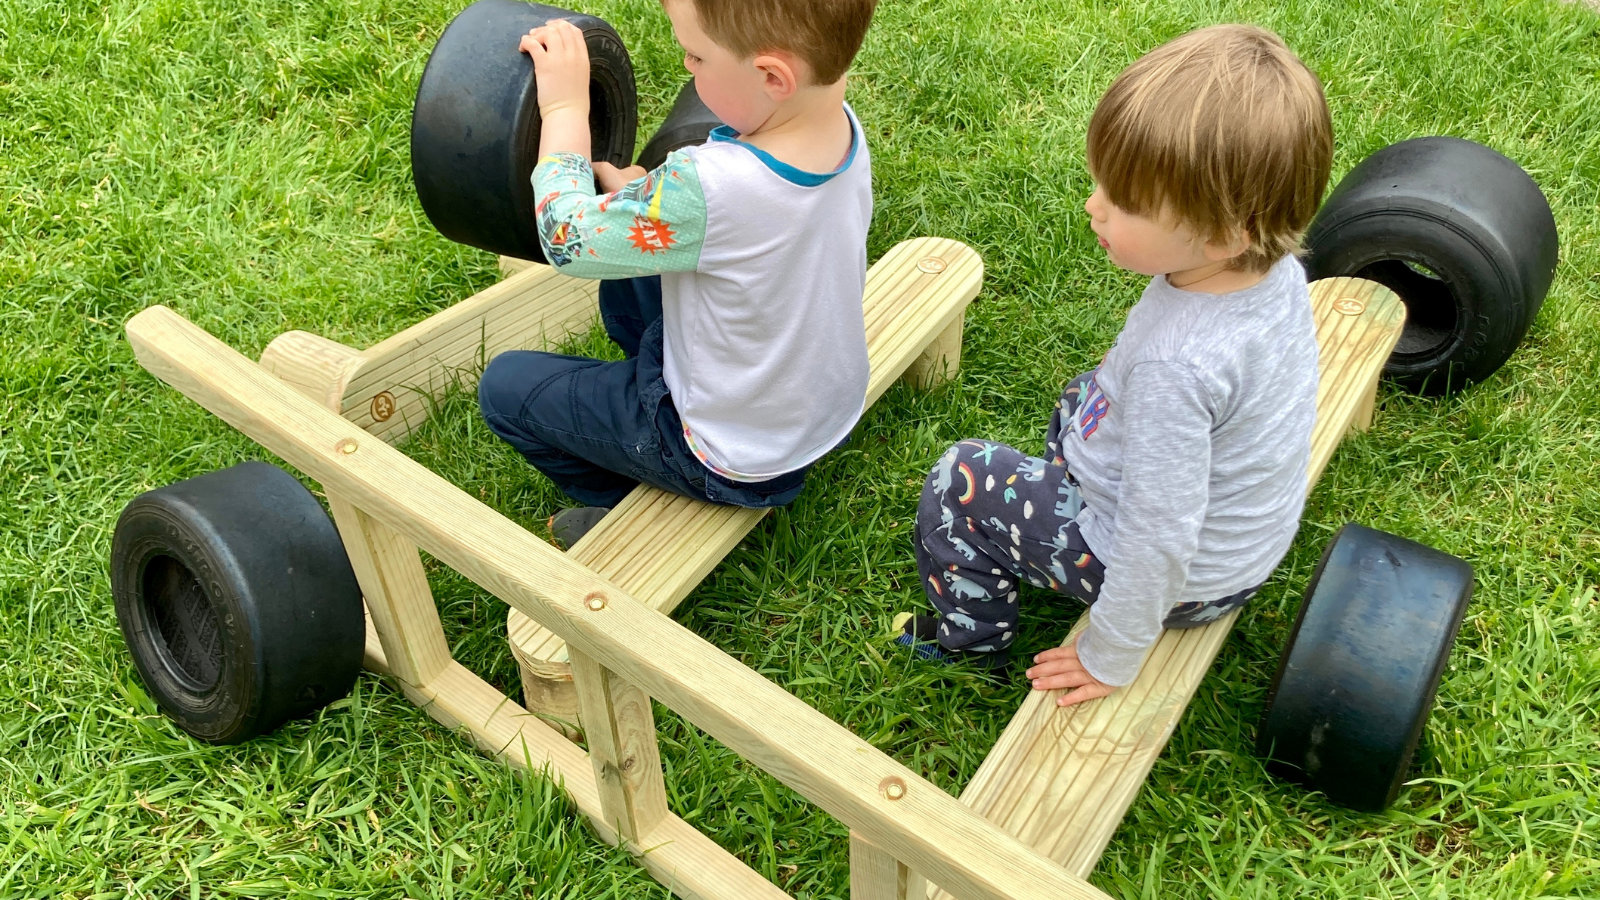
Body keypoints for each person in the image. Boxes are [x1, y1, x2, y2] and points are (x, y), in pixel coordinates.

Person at [897, 24, 1334, 707]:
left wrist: (1110, 654)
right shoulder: (1270, 272)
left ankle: (968, 641)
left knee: (962, 479)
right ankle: (1062, 497)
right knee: (1085, 396)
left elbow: (1158, 539)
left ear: (1225, 232)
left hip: (1181, 581)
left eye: (1123, 202)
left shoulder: (1176, 369)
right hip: (1243, 543)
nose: (1093, 206)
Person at [478, 0, 878, 546]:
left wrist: (566, 109)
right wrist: (643, 194)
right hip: (811, 410)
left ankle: (630, 506)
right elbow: (744, 223)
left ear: (772, 77)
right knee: (630, 275)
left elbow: (566, 236)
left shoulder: (710, 186)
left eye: (695, 55)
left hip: (728, 452)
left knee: (503, 389)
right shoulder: (837, 125)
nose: (687, 67)